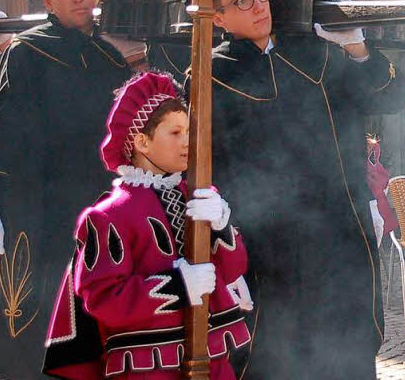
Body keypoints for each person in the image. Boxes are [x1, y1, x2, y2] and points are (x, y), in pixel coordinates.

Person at [198, 0, 405, 379]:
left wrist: (358, 48)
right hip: (267, 245)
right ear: (217, 18)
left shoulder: (317, 50)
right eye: (242, 2)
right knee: (276, 356)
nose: (258, 7)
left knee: (347, 351)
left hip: (338, 230)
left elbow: (390, 98)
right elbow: (210, 170)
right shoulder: (209, 75)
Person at [0, 0, 134, 379]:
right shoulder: (26, 51)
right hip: (35, 208)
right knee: (30, 324)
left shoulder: (111, 57)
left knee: (85, 325)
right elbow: (0, 128)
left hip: (94, 207)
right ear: (49, 0)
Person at [43, 72, 251, 379]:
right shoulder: (109, 215)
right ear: (142, 141)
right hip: (149, 367)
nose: (188, 143)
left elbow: (233, 269)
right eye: (176, 133)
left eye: (190, 132)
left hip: (211, 361)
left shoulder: (201, 195)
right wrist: (178, 286)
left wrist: (221, 223)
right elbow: (103, 299)